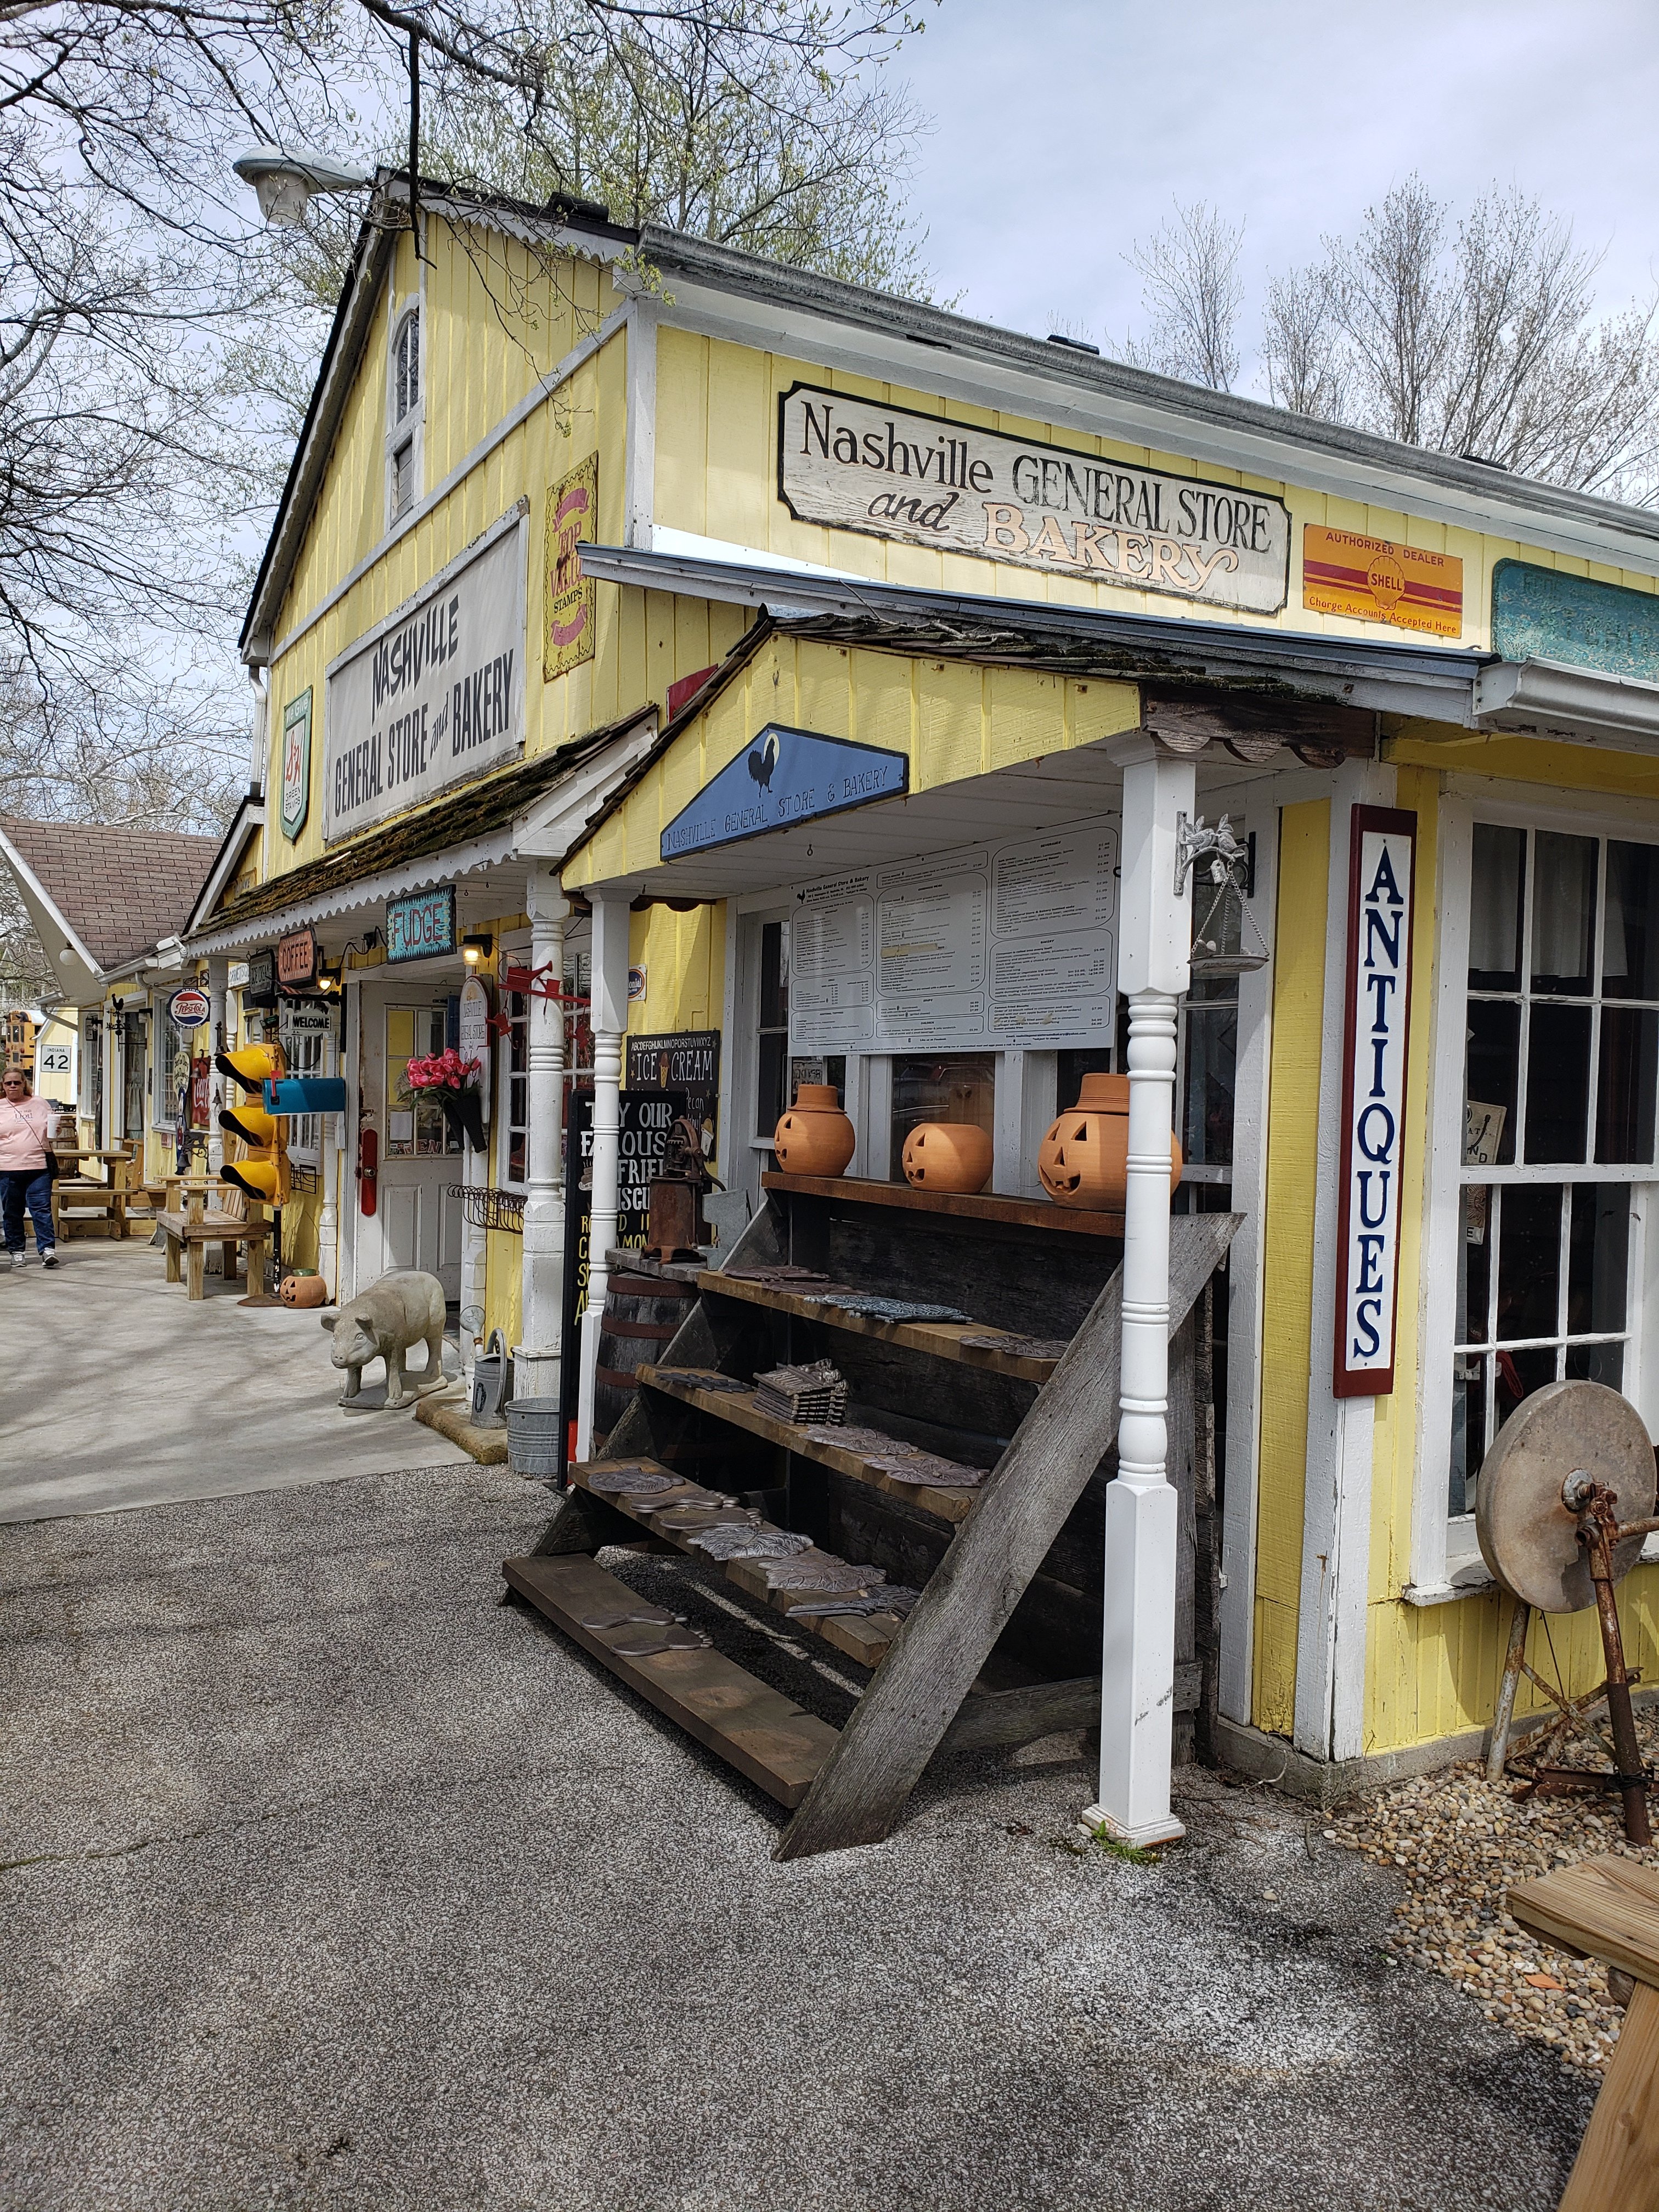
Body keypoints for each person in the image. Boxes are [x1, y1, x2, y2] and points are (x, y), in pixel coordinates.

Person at [1, 1064, 58, 1269]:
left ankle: (48, 1250)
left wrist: (55, 1131)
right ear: (3, 1085)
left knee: (41, 1209)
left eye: (17, 1082)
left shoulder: (39, 1104)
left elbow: (51, 1132)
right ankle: (17, 1252)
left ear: (24, 1083)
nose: (13, 1086)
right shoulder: (0, 1108)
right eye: (9, 1083)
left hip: (38, 1167)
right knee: (12, 1212)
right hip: (8, 1169)